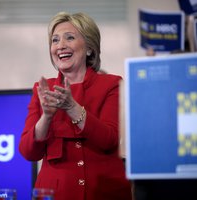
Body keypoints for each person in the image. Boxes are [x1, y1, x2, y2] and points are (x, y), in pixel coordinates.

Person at [19, 12, 132, 200]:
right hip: (55, 194)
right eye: (55, 40)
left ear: (89, 48)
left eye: (69, 38)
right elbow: (28, 151)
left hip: (104, 192)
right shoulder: (43, 89)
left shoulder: (112, 84)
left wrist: (71, 107)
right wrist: (46, 117)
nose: (60, 46)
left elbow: (110, 139)